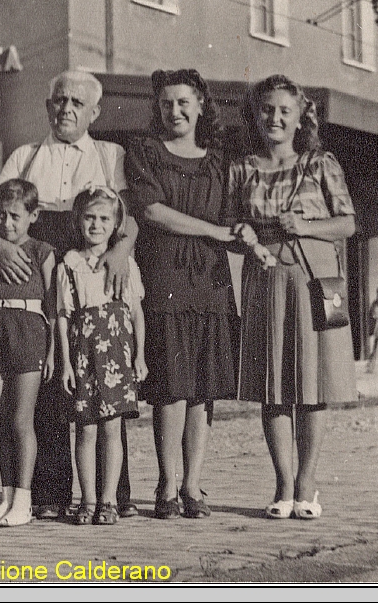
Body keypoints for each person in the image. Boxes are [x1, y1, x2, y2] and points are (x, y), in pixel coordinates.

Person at [0, 69, 140, 520]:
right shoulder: (25, 155)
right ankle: (50, 494)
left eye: (77, 103)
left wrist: (121, 251)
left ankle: (114, 497)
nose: (66, 109)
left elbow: (128, 218)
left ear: (94, 111)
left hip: (95, 258)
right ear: (48, 105)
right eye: (59, 101)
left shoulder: (111, 155)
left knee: (104, 381)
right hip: (38, 259)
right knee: (53, 378)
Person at [227, 74, 358, 521]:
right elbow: (232, 226)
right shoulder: (242, 168)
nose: (275, 118)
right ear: (255, 114)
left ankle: (308, 482)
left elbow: (347, 224)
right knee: (274, 386)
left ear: (301, 116)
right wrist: (242, 233)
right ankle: (283, 484)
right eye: (267, 109)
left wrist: (305, 226)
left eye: (285, 110)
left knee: (312, 384)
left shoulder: (321, 163)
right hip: (265, 275)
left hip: (313, 275)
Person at [126, 69, 238, 520]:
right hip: (165, 273)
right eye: (167, 103)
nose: (175, 111)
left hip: (210, 278)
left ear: (200, 106)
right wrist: (215, 230)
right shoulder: (146, 152)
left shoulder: (220, 162)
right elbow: (152, 211)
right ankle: (167, 484)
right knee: (171, 383)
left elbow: (236, 216)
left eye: (184, 102)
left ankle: (193, 484)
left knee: (202, 387)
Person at [57, 187, 147, 526]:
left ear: (116, 224)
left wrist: (139, 357)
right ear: (79, 221)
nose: (96, 225)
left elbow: (136, 313)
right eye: (90, 218)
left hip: (117, 354)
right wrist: (66, 362)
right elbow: (64, 316)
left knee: (112, 428)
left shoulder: (125, 263)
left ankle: (109, 500)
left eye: (104, 219)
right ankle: (88, 500)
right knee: (85, 430)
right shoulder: (70, 264)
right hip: (83, 354)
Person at [0, 178, 56, 527]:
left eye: (15, 216)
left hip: (28, 331)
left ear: (33, 215)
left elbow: (52, 307)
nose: (6, 223)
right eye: (1, 216)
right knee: (2, 420)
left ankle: (24, 499)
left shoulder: (43, 251)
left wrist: (52, 352)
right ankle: (6, 500)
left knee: (22, 420)